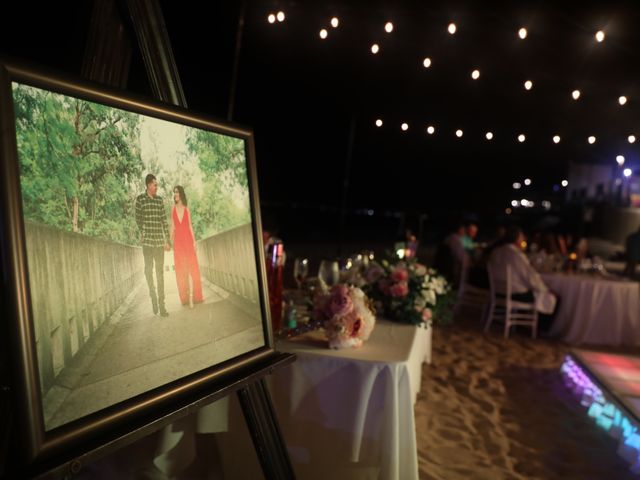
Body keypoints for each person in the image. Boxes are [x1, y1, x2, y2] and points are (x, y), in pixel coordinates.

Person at [489, 226, 558, 332]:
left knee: (541, 294)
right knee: (552, 297)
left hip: (498, 291)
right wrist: (545, 289)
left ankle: (525, 325)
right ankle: (541, 330)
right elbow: (530, 276)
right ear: (516, 238)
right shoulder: (515, 254)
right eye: (521, 238)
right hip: (514, 293)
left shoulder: (497, 251)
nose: (523, 240)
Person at [135, 174, 171, 317]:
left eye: (157, 185)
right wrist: (142, 231)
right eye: (155, 185)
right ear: (149, 185)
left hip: (158, 242)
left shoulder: (159, 201)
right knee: (148, 271)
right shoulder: (140, 200)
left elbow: (164, 221)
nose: (157, 187)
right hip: (147, 243)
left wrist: (167, 240)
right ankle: (153, 296)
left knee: (160, 273)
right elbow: (138, 219)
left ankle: (162, 305)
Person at [171, 185, 204, 307]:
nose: (175, 194)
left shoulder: (186, 209)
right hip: (178, 243)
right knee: (181, 270)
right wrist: (169, 241)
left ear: (181, 194)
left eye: (177, 192)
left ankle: (194, 297)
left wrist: (194, 241)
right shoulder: (173, 209)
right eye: (174, 192)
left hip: (188, 241)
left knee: (192, 268)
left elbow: (190, 225)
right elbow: (173, 226)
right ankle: (185, 297)